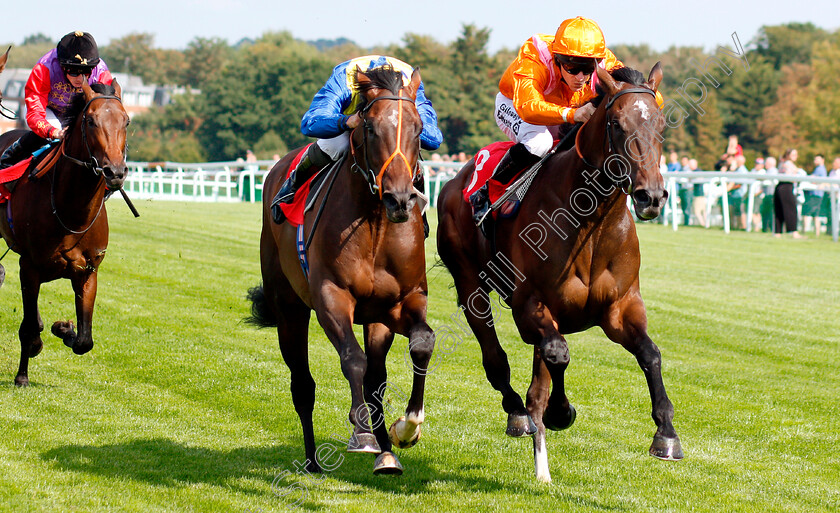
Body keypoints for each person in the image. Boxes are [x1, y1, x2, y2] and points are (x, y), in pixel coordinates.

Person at [469, 17, 661, 224]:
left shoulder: (605, 60)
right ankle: (487, 191)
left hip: (569, 107)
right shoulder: (535, 57)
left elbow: (640, 96)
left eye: (587, 69)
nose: (580, 77)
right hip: (516, 105)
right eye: (572, 68)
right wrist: (570, 115)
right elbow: (528, 108)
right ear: (557, 59)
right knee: (539, 143)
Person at [271, 55, 442, 224]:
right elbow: (310, 123)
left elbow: (434, 140)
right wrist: (346, 121)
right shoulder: (345, 79)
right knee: (335, 144)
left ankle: (421, 216)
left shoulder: (409, 82)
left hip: (391, 131)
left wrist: (411, 124)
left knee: (411, 150)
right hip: (353, 126)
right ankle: (292, 185)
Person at [0, 31, 112, 172]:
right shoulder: (44, 68)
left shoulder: (101, 72)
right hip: (48, 110)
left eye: (86, 72)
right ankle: (9, 158)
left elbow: (107, 113)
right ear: (62, 66)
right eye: (73, 72)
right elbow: (35, 114)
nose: (80, 78)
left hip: (78, 115)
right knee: (53, 138)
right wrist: (54, 132)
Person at [774, 149, 803, 239]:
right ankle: (793, 231)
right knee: (791, 209)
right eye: (793, 154)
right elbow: (792, 177)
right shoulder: (789, 165)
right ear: (788, 155)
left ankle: (778, 232)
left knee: (779, 210)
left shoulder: (781, 163)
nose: (796, 156)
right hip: (786, 187)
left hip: (779, 187)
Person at [802, 155, 826, 236]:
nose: (815, 160)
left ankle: (803, 232)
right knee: (815, 215)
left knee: (806, 213)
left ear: (822, 160)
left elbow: (815, 181)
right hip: (817, 195)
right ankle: (817, 234)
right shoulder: (818, 169)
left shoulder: (820, 169)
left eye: (817, 159)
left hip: (815, 195)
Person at [759, 156, 778, 232]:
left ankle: (769, 228)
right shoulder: (767, 171)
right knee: (766, 212)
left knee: (770, 212)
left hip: (771, 195)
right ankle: (766, 228)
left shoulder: (772, 171)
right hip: (768, 195)